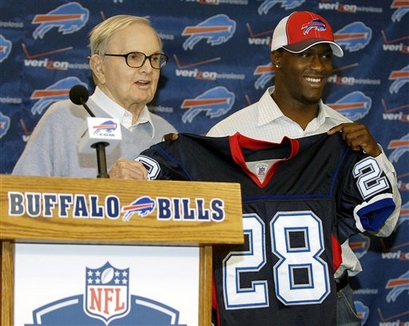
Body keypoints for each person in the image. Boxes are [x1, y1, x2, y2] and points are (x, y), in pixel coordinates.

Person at [206, 11, 401, 326]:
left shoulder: (346, 135)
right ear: (278, 58)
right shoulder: (228, 135)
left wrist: (374, 155)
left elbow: (386, 225)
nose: (318, 66)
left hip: (332, 301)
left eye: (325, 56)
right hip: (257, 305)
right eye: (305, 54)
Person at [12, 15, 176, 178]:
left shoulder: (167, 134)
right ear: (99, 68)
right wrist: (104, 189)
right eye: (133, 57)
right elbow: (22, 198)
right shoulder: (63, 119)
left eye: (154, 58)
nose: (148, 69)